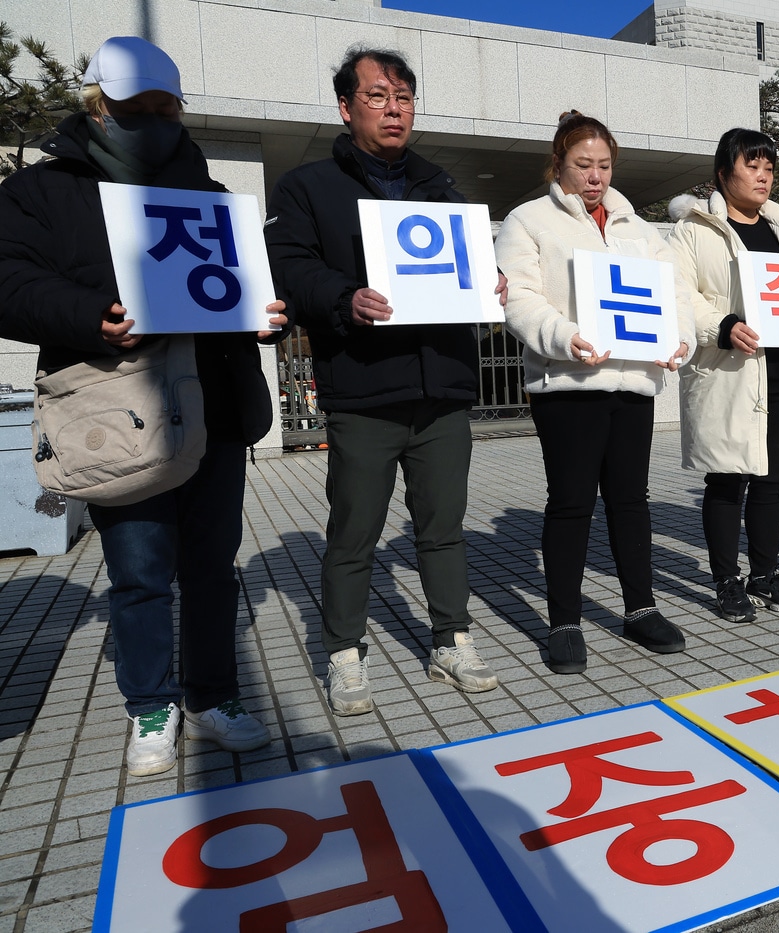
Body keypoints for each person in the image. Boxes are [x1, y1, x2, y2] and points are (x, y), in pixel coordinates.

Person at [0, 36, 282, 775]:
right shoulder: (42, 192)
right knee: (139, 569)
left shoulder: (208, 195)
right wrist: (88, 314)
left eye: (166, 109)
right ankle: (150, 701)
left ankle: (213, 693)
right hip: (117, 411)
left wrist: (266, 313)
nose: (154, 123)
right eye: (135, 108)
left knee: (213, 565)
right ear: (96, 106)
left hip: (215, 407)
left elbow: (249, 285)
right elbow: (7, 281)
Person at [265, 47, 505, 715]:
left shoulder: (441, 187)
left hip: (442, 388)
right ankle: (344, 649)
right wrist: (345, 298)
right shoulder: (308, 187)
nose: (393, 109)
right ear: (346, 108)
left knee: (443, 525)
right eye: (377, 96)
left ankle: (452, 638)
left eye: (403, 97)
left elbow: (468, 268)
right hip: (364, 387)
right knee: (354, 529)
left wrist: (490, 281)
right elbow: (291, 267)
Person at [495, 112, 695, 674]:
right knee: (571, 501)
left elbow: (674, 295)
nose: (595, 176)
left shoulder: (640, 229)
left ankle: (641, 608)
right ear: (557, 164)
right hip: (569, 383)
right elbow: (519, 298)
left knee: (631, 500)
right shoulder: (529, 220)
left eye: (604, 165)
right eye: (583, 164)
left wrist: (678, 340)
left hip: (633, 382)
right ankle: (565, 620)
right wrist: (564, 337)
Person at [668, 128, 779, 622]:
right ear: (724, 174)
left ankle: (764, 573)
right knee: (726, 479)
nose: (763, 176)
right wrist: (721, 326)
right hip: (729, 372)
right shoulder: (694, 230)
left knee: (771, 481)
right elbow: (680, 294)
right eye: (752, 166)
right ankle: (726, 580)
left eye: (769, 167)